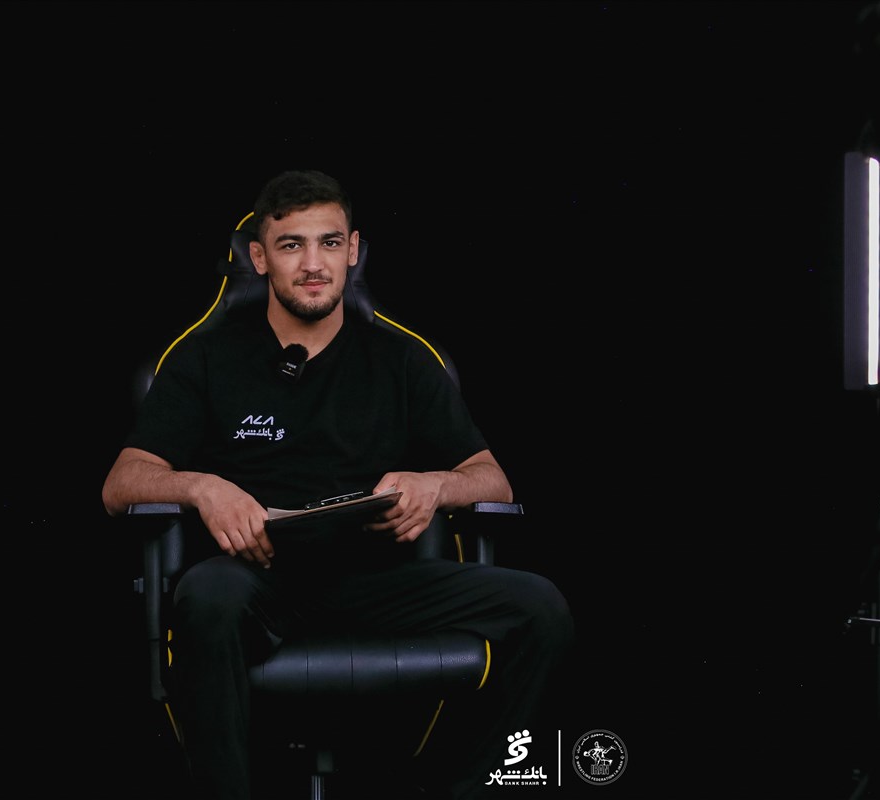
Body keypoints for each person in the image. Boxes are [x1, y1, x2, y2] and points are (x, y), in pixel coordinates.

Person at [101, 169, 574, 799]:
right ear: (259, 258)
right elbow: (121, 483)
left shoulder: (402, 359)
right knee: (205, 598)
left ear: (353, 250)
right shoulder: (206, 358)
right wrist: (204, 488)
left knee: (541, 607)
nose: (313, 264)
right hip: (255, 580)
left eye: (329, 242)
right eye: (291, 245)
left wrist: (435, 485)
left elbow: (493, 480)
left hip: (378, 578)